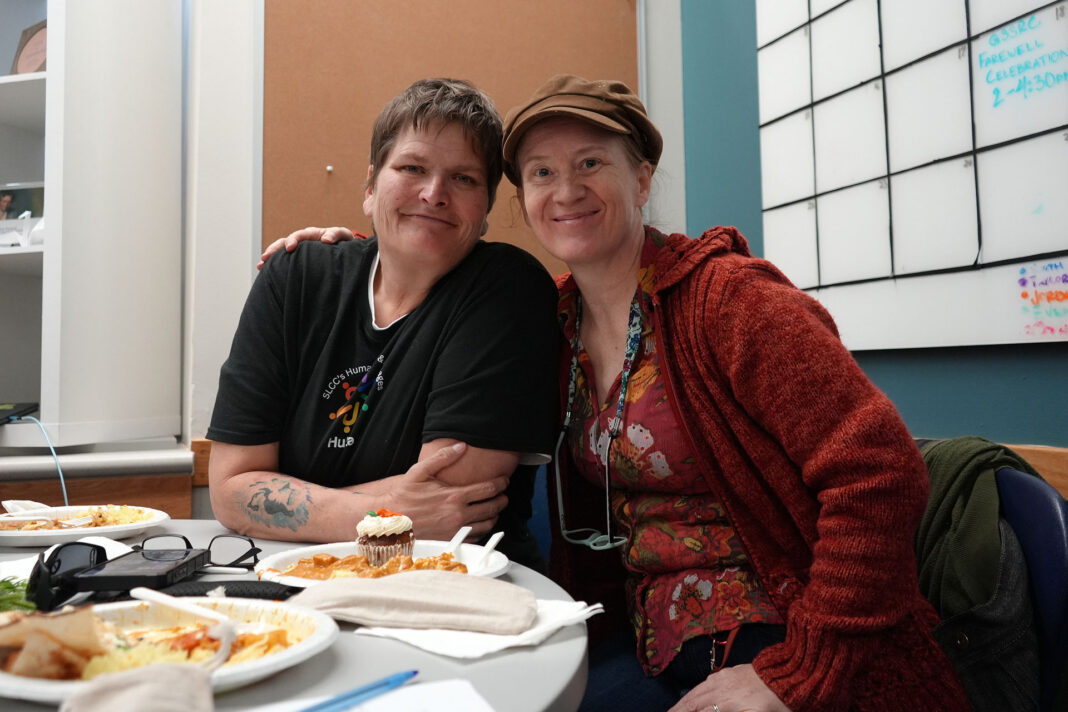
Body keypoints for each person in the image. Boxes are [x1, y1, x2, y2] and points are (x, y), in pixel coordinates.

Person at [265, 76, 971, 711]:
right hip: (646, 641)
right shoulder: (553, 320)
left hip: (782, 642)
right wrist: (349, 251)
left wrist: (801, 671)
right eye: (541, 172)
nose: (565, 190)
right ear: (522, 201)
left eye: (591, 164)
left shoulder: (732, 304)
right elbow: (424, 260)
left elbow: (879, 473)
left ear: (642, 179)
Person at [208, 78, 560, 571]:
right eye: (412, 168)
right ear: (371, 188)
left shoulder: (507, 288)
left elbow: (452, 501)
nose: (434, 193)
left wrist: (279, 502)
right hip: (294, 573)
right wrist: (390, 508)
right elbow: (227, 491)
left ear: (483, 213)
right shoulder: (296, 276)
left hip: (452, 582)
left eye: (463, 178)